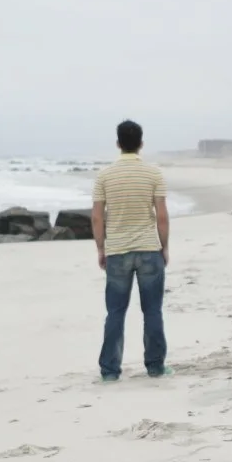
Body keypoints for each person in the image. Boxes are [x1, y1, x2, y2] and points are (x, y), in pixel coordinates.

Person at [92, 118, 169, 380]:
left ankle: (110, 371)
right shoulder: (153, 173)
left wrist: (100, 248)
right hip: (149, 249)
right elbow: (161, 216)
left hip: (117, 250)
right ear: (141, 144)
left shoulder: (105, 175)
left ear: (118, 144)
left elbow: (97, 217)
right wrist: (164, 247)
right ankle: (156, 367)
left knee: (115, 312)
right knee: (153, 311)